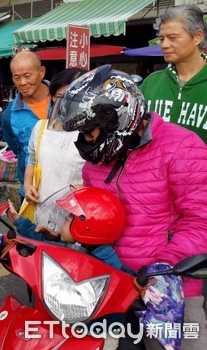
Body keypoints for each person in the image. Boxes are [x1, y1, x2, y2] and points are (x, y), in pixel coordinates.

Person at [57, 64, 207, 349]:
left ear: (118, 118)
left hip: (169, 288)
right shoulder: (98, 161)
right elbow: (95, 214)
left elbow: (202, 219)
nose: (86, 142)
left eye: (90, 132)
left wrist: (163, 265)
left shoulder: (182, 147)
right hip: (110, 283)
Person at [6, 186, 125, 269]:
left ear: (85, 228)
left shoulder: (106, 260)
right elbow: (42, 242)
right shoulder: (74, 245)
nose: (62, 223)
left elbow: (124, 279)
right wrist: (19, 220)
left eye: (67, 219)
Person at [22, 68, 87, 211]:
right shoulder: (41, 128)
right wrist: (27, 186)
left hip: (75, 216)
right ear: (52, 97)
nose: (66, 104)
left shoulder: (90, 134)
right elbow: (32, 161)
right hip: (40, 209)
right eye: (60, 96)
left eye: (73, 98)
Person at [141, 5, 207, 144]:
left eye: (172, 38)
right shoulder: (150, 83)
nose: (164, 45)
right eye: (162, 38)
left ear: (197, 37)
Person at [1, 51, 52, 200]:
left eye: (27, 76)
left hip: (66, 187)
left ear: (41, 72)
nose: (22, 82)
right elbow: (19, 150)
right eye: (17, 77)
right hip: (32, 190)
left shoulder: (62, 100)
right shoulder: (9, 115)